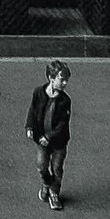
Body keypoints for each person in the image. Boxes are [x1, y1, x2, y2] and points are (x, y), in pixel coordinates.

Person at [26, 60, 73, 210]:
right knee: (41, 165)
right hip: (41, 138)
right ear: (51, 78)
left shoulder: (65, 101)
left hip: (58, 141)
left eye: (66, 80)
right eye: (62, 79)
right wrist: (29, 127)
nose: (65, 83)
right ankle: (46, 182)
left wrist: (49, 137)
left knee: (57, 167)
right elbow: (32, 111)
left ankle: (54, 193)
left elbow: (62, 124)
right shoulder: (38, 92)